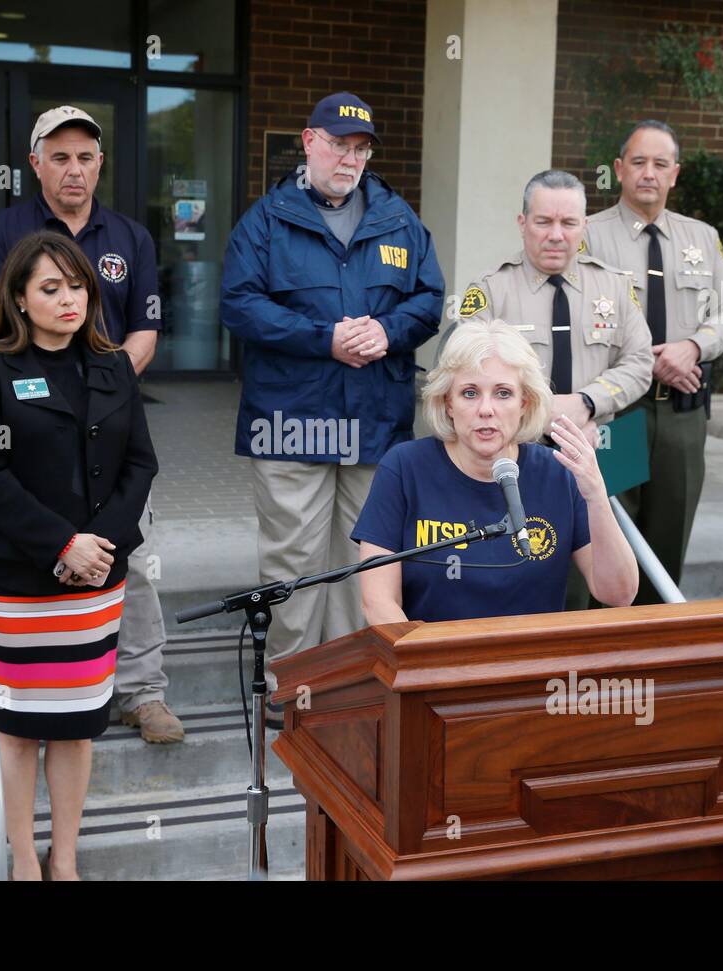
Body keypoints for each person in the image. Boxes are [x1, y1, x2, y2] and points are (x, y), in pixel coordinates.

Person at [220, 91, 444, 726]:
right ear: (309, 141)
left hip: (374, 421)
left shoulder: (400, 220)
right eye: (340, 145)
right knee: (294, 559)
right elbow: (238, 304)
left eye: (362, 148)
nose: (351, 158)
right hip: (293, 423)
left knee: (365, 560)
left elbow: (430, 298)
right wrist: (324, 339)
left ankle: (349, 683)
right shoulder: (266, 221)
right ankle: (289, 687)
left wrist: (390, 330)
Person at [0, 106, 181, 743]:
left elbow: (143, 332)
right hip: (30, 428)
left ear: (100, 164)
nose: (74, 170)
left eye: (86, 157)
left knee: (128, 556)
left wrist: (104, 391)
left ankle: (142, 693)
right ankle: (31, 689)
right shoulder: (1, 233)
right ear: (35, 164)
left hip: (110, 427)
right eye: (59, 157)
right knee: (43, 547)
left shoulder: (131, 237)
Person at [0, 231, 158, 880]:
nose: (68, 299)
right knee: (17, 726)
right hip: (16, 577)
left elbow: (139, 463)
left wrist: (100, 546)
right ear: (18, 296)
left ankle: (63, 857)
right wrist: (61, 543)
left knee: (76, 725)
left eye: (77, 286)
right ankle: (21, 857)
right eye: (50, 287)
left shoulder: (113, 364)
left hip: (95, 580)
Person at [352, 319, 638, 623]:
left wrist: (597, 496)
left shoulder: (558, 473)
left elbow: (619, 594)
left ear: (525, 402)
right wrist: (428, 664)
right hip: (432, 663)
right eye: (470, 393)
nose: (486, 409)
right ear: (447, 402)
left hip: (534, 664)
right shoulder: (404, 467)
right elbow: (377, 601)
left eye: (503, 393)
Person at [461, 169, 653, 608]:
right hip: (520, 452)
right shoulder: (491, 290)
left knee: (607, 574)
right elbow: (467, 376)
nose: (556, 235)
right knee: (529, 564)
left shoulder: (616, 286)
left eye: (569, 223)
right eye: (544, 221)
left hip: (604, 443)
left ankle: (600, 670)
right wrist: (538, 410)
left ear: (584, 226)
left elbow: (641, 362)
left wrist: (588, 401)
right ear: (522, 222)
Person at [583, 121, 723, 603]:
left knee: (667, 545)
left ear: (675, 173)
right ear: (618, 170)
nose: (648, 173)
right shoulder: (587, 236)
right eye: (638, 162)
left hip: (680, 416)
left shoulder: (702, 238)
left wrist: (692, 348)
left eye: (660, 164)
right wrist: (647, 362)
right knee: (607, 541)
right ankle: (601, 659)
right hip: (617, 417)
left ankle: (653, 660)